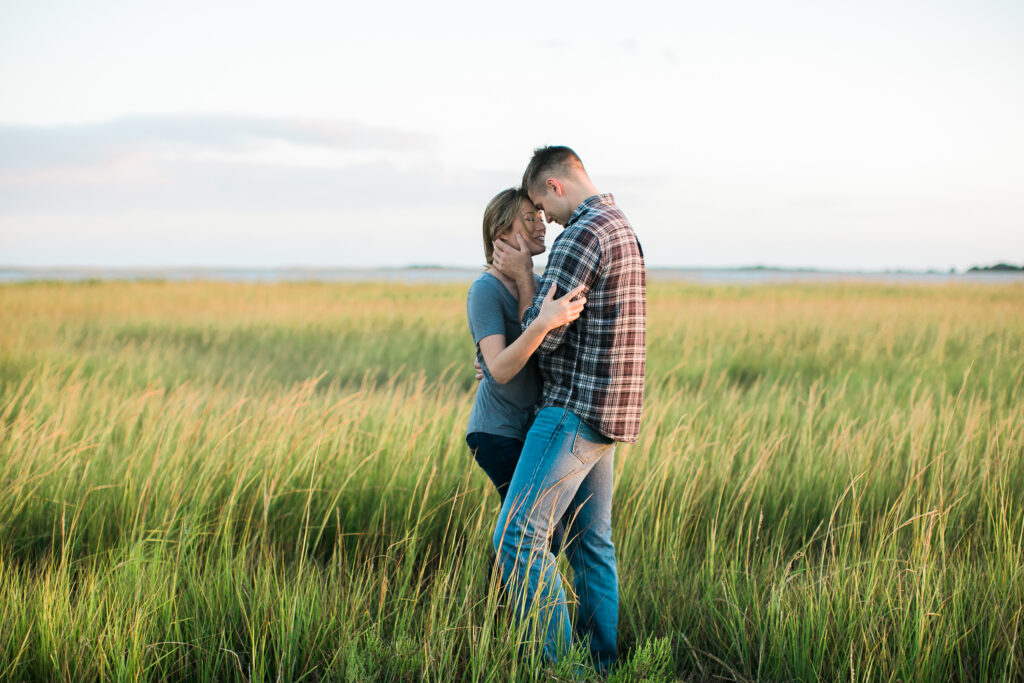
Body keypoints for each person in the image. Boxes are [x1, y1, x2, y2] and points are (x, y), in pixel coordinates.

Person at [490, 146, 646, 671]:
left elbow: (549, 333)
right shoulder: (622, 226)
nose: (545, 220)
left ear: (555, 186)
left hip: (573, 410)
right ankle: (603, 666)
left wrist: (524, 298)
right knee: (591, 543)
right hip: (610, 414)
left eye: (540, 205)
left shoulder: (581, 233)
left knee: (517, 536)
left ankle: (563, 669)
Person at [465, 187, 586, 555]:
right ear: (502, 233)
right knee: (530, 535)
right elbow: (500, 369)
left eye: (539, 215)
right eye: (529, 218)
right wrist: (538, 321)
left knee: (530, 534)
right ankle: (502, 610)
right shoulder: (485, 290)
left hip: (527, 429)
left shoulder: (529, 282)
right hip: (497, 432)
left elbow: (537, 354)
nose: (541, 225)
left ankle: (501, 610)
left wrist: (523, 279)